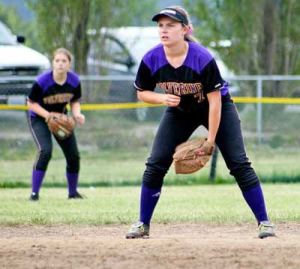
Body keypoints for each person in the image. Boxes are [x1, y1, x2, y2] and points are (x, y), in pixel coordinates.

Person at [126, 6, 275, 239]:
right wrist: (161, 97)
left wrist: (211, 141)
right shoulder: (151, 58)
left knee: (238, 163)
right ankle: (142, 224)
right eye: (161, 25)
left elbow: (215, 102)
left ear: (185, 29)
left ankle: (264, 222)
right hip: (180, 111)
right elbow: (142, 92)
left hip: (217, 109)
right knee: (155, 164)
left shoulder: (201, 58)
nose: (164, 30)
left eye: (171, 25)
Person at [27, 48, 85, 201]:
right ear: (53, 63)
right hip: (39, 118)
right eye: (57, 60)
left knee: (73, 156)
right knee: (45, 151)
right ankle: (34, 194)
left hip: (61, 121)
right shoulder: (42, 82)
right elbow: (31, 104)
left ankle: (72, 193)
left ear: (69, 64)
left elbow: (74, 101)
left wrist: (77, 114)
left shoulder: (74, 81)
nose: (60, 64)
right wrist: (48, 116)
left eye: (64, 61)